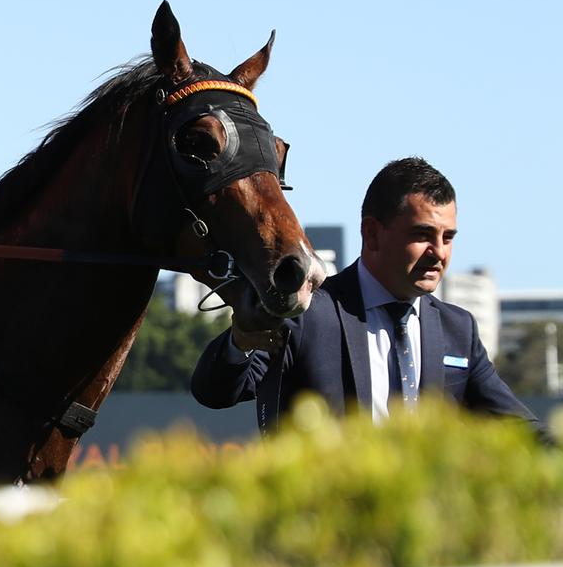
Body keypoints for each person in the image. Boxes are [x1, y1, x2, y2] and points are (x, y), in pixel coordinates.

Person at [191, 157, 547, 440]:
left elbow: (517, 429)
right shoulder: (307, 311)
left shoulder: (459, 329)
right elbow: (217, 391)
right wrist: (240, 341)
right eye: (422, 235)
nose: (439, 253)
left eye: (448, 237)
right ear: (372, 234)